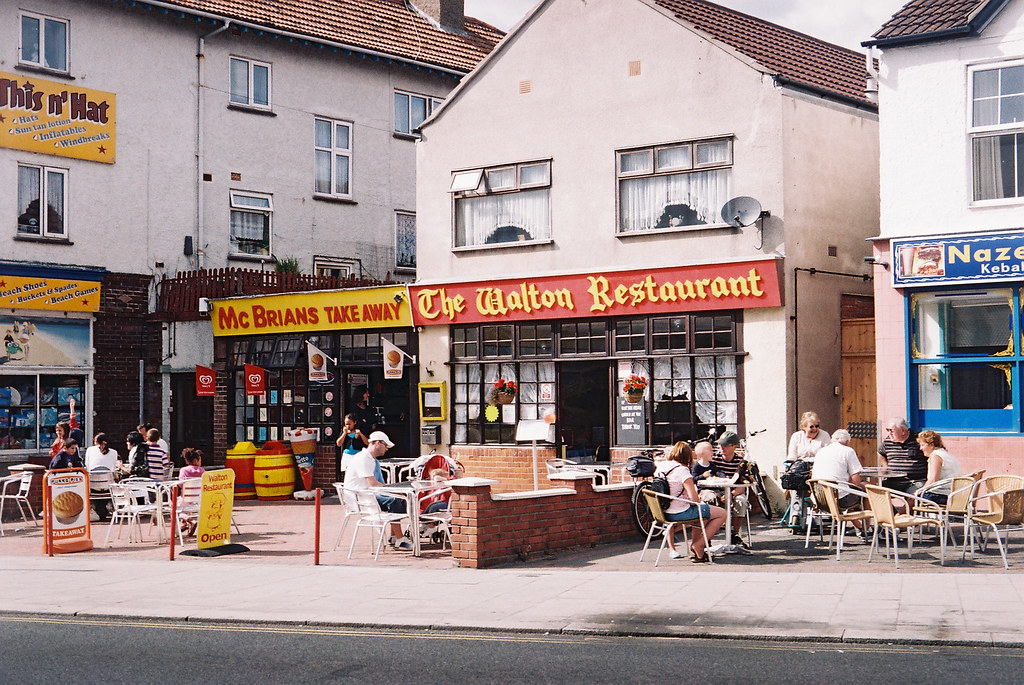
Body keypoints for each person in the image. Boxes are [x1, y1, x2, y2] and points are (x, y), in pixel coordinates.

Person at [655, 441, 727, 562]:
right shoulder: (682, 471)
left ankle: (697, 551)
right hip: (679, 512)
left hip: (662, 512)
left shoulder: (661, 467)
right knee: (721, 513)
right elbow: (694, 499)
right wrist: (701, 503)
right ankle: (699, 545)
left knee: (702, 517)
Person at [342, 430, 412, 551]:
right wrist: (393, 491)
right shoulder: (364, 458)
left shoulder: (368, 458)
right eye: (386, 445)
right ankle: (400, 539)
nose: (387, 449)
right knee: (394, 501)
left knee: (400, 500)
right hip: (360, 498)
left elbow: (374, 484)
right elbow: (373, 484)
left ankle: (394, 536)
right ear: (378, 443)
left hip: (364, 495)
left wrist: (393, 491)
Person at [810, 429, 868, 531]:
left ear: (832, 440)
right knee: (865, 488)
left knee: (843, 492)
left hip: (819, 500)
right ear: (847, 442)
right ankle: (866, 529)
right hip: (839, 500)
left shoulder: (821, 451)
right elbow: (856, 481)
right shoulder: (848, 451)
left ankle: (859, 527)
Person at [702, 431, 751, 549]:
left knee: (741, 501)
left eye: (725, 445)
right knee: (708, 498)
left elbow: (743, 484)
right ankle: (706, 537)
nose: (721, 447)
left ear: (734, 446)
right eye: (720, 444)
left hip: (732, 491)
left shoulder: (740, 462)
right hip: (713, 489)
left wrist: (732, 495)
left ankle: (734, 534)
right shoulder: (713, 459)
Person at [878, 417, 928, 494]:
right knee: (877, 494)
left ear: (903, 431)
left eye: (891, 430)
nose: (889, 433)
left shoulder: (919, 439)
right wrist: (885, 465)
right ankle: (891, 507)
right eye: (887, 430)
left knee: (913, 496)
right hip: (893, 481)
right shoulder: (888, 441)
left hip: (915, 481)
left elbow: (934, 453)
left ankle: (905, 507)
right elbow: (880, 452)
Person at [915, 430, 962, 505]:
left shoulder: (935, 456)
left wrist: (918, 492)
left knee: (913, 499)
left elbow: (933, 480)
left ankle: (898, 516)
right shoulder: (946, 455)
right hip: (954, 495)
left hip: (942, 496)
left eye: (922, 445)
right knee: (914, 497)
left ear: (931, 445)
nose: (920, 448)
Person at [84, 433, 118, 521]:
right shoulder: (114, 452)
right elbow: (113, 469)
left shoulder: (90, 450)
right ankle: (103, 510)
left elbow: (87, 466)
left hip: (93, 486)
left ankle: (100, 511)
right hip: (108, 487)